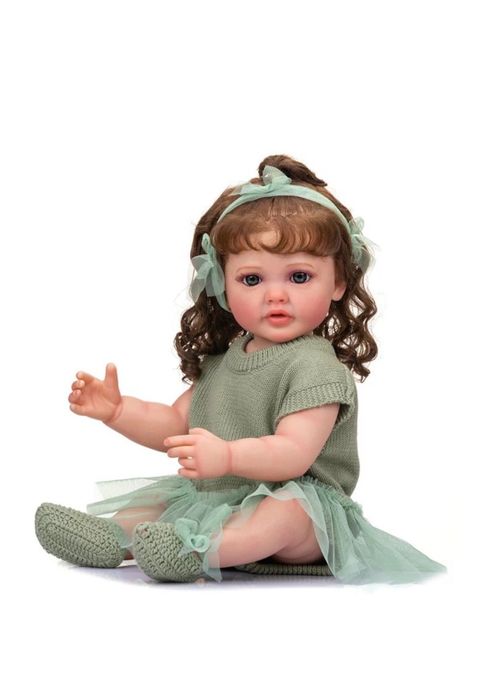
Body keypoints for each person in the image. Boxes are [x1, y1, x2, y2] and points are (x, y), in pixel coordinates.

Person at [35, 154, 446, 584]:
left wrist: (227, 456)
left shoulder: (316, 368)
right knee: (165, 500)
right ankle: (110, 538)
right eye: (252, 280)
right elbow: (175, 424)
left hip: (303, 513)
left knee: (287, 512)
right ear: (223, 287)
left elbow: (293, 453)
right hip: (225, 496)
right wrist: (119, 411)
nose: (276, 296)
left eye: (299, 277)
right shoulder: (222, 362)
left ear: (339, 282)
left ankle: (197, 550)